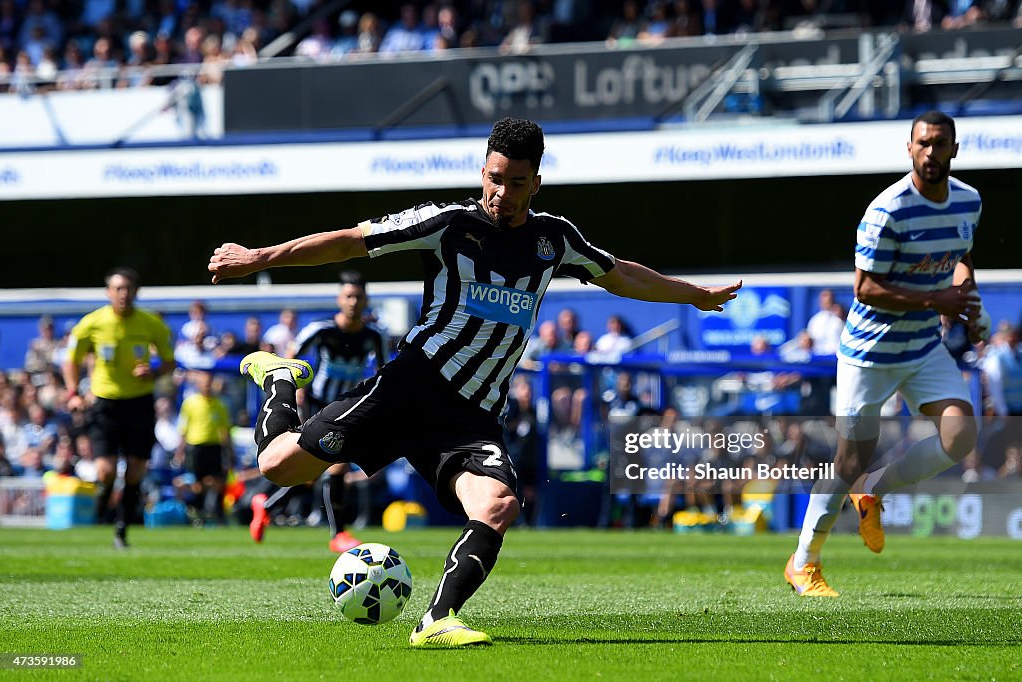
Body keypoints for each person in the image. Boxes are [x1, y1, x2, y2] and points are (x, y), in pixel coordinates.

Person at [208, 117, 741, 647]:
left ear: (535, 184)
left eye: (514, 183)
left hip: (473, 416)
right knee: (278, 468)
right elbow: (350, 241)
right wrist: (259, 258)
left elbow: (620, 274)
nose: (500, 193)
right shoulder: (446, 223)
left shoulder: (554, 240)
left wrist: (692, 294)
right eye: (493, 178)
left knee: (497, 505)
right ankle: (279, 377)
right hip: (409, 390)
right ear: (482, 170)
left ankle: (436, 619)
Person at [785, 111, 989, 597]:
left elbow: (960, 257)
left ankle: (875, 490)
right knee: (848, 460)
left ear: (954, 149)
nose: (930, 153)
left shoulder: (968, 201)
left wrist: (968, 300)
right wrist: (936, 300)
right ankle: (803, 562)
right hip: (869, 351)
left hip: (921, 344)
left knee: (961, 434)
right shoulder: (887, 210)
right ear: (909, 147)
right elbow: (865, 288)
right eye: (922, 143)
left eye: (940, 144)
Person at [248, 271, 386, 553]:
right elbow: (291, 358)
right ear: (340, 298)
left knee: (315, 472)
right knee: (334, 465)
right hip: (318, 405)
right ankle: (338, 534)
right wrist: (297, 394)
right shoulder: (321, 330)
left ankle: (267, 504)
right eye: (348, 296)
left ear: (365, 300)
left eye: (358, 297)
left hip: (350, 407)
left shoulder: (374, 335)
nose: (353, 302)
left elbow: (384, 373)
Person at [62, 267, 175, 548]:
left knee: (136, 469)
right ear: (108, 292)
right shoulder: (92, 323)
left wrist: (153, 372)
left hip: (139, 403)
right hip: (105, 404)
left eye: (128, 289)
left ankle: (122, 528)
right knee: (106, 471)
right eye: (118, 289)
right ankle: (103, 496)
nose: (123, 294)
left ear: (136, 292)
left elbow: (170, 361)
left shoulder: (152, 324)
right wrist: (74, 393)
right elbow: (71, 360)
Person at [177, 370, 232, 525]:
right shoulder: (190, 403)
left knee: (218, 481)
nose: (207, 387)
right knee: (198, 483)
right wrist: (180, 452)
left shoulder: (220, 405)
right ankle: (198, 512)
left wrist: (229, 451)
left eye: (209, 383)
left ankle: (218, 512)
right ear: (199, 385)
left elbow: (225, 430)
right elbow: (183, 429)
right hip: (196, 446)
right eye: (204, 383)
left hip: (214, 446)